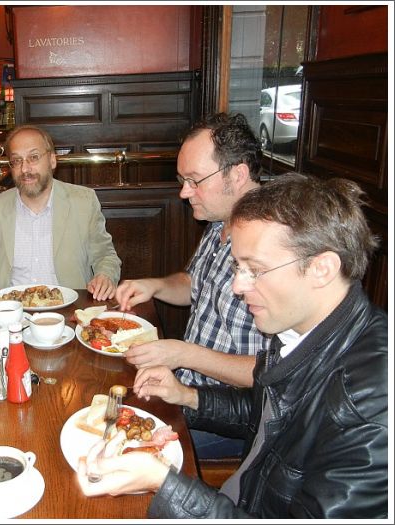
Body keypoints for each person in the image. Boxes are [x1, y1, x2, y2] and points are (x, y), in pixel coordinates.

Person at [78, 173, 388, 518]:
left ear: (322, 269)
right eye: (237, 267)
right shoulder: (300, 332)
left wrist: (167, 486)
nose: (238, 286)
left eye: (254, 270)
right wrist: (187, 396)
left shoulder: (372, 404)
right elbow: (264, 415)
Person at [115, 113, 271, 458]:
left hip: (233, 417)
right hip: (183, 388)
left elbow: (275, 371)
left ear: (238, 174)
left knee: (119, 448)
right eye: (182, 180)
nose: (185, 193)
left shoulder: (277, 244)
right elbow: (193, 284)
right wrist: (154, 285)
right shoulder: (220, 222)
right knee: (102, 401)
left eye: (195, 180)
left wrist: (185, 354)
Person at [0, 124, 121, 300]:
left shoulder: (84, 202)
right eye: (17, 160)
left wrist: (105, 275)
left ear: (52, 160)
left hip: (69, 310)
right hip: (11, 313)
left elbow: (105, 255)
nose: (25, 169)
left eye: (33, 157)